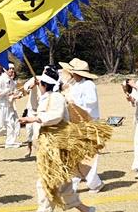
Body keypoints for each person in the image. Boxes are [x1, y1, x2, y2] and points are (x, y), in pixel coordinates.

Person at [19, 65, 108, 212]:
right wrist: (33, 89)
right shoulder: (46, 97)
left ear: (45, 84)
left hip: (56, 146)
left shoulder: (57, 97)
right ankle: (85, 209)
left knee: (45, 180)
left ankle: (44, 209)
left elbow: (56, 115)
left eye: (40, 83)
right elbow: (35, 106)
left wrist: (34, 119)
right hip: (46, 146)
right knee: (65, 181)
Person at [60, 58, 104, 193]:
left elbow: (91, 102)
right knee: (75, 154)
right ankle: (74, 183)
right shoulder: (74, 85)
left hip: (89, 123)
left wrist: (73, 101)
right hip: (76, 123)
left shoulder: (89, 85)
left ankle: (94, 183)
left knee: (89, 155)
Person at [0, 62, 22, 148]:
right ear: (5, 69)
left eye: (13, 69)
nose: (11, 70)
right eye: (10, 68)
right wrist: (7, 91)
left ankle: (10, 142)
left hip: (8, 104)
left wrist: (18, 94)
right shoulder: (1, 79)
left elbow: (14, 91)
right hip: (0, 105)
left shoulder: (11, 81)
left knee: (11, 123)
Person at [23, 74, 40, 158]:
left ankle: (39, 151)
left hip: (40, 111)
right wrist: (33, 84)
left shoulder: (48, 82)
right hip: (31, 109)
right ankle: (29, 148)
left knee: (37, 133)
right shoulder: (33, 79)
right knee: (29, 130)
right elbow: (26, 89)